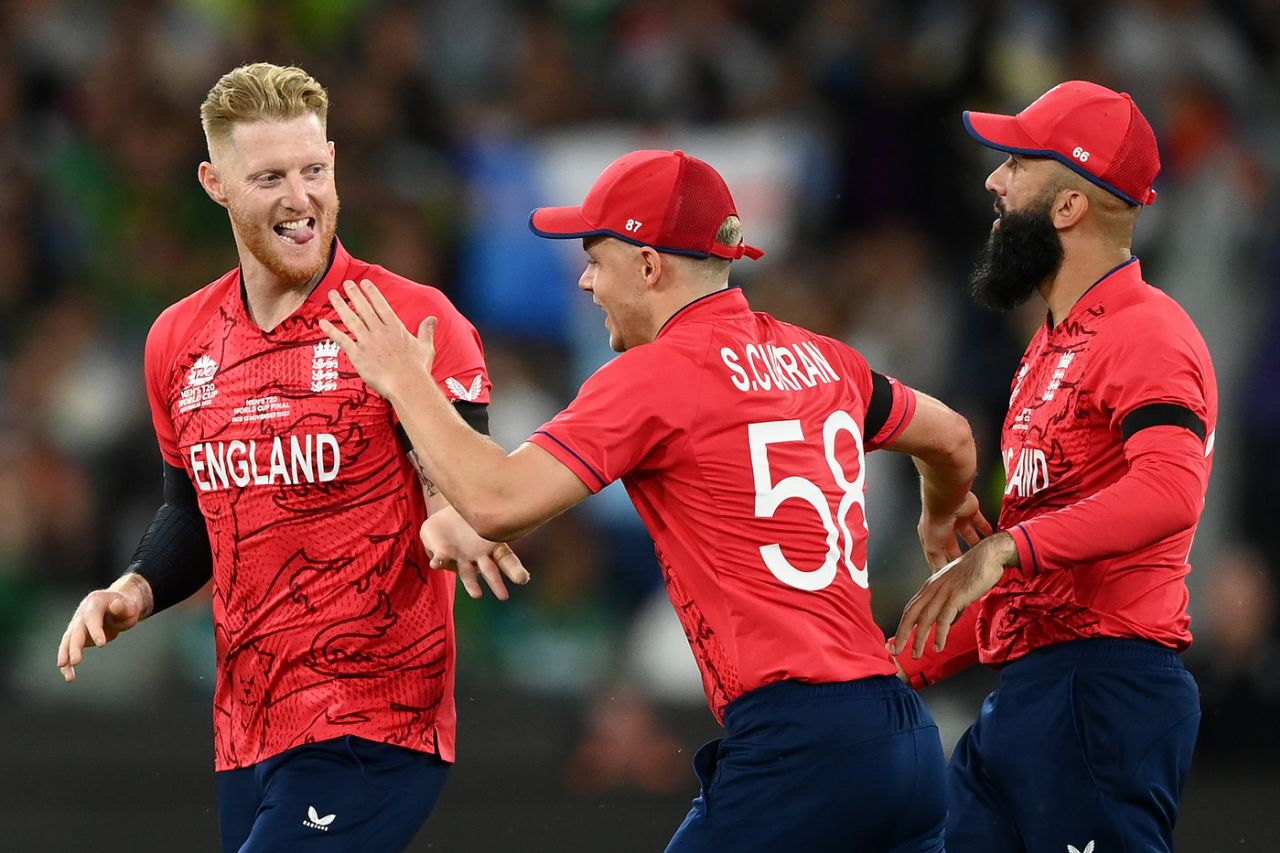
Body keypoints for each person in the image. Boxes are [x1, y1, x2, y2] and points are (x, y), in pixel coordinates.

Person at [320, 148, 990, 852]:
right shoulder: (827, 359)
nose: (584, 281)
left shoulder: (656, 375)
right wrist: (941, 512)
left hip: (797, 749)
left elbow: (496, 499)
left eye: (594, 257)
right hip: (899, 740)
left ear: (648, 265)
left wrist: (404, 382)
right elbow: (951, 436)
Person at [54, 63, 528, 852]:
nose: (300, 197)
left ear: (335, 162)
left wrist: (458, 518)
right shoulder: (178, 340)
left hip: (374, 721)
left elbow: (459, 475)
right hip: (247, 730)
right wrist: (136, 586)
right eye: (269, 176)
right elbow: (190, 509)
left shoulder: (410, 318)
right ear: (215, 183)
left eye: (313, 170)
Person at [892, 81, 1218, 852]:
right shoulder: (1045, 350)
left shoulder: (1149, 333)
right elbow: (1032, 575)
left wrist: (1006, 545)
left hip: (1104, 690)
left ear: (1069, 206)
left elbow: (1171, 490)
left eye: (1015, 164)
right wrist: (875, 673)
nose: (992, 183)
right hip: (1033, 694)